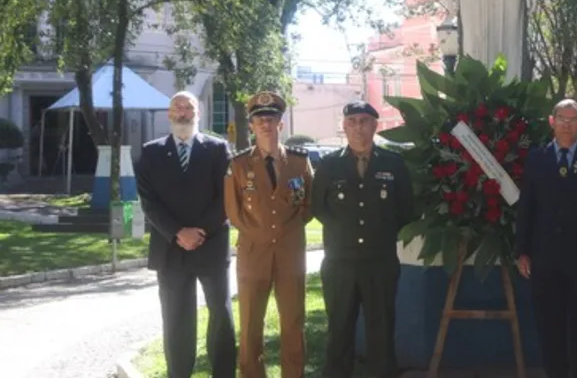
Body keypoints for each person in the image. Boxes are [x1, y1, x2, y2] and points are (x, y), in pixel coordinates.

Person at [135, 91, 236, 378]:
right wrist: (178, 232)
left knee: (220, 314)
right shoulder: (151, 151)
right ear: (169, 114)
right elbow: (148, 201)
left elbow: (226, 197)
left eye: (189, 107)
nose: (183, 112)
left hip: (211, 244)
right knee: (176, 319)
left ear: (198, 113)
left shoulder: (218, 149)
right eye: (177, 107)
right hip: (170, 248)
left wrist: (199, 231)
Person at [310, 101, 414, 378]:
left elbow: (406, 210)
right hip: (340, 263)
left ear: (375, 126)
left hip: (379, 262)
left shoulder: (393, 164)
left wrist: (379, 232)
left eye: (365, 121)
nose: (359, 127)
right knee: (339, 331)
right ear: (344, 126)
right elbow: (318, 207)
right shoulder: (329, 165)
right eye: (353, 121)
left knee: (381, 332)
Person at [515, 99, 577, 378]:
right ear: (552, 122)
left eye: (573, 119)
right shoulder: (536, 158)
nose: (567, 124)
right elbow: (527, 207)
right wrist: (522, 250)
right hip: (544, 258)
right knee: (549, 325)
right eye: (562, 118)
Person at [224, 91, 313, 378]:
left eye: (271, 118)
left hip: (290, 253)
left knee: (293, 323)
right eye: (259, 120)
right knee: (250, 325)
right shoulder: (238, 165)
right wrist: (263, 235)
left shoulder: (299, 162)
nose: (265, 124)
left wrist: (285, 232)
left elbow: (308, 204)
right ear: (251, 126)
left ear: (281, 124)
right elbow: (234, 212)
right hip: (253, 254)